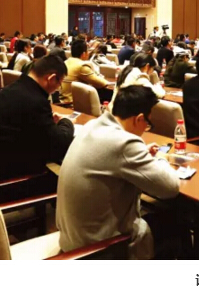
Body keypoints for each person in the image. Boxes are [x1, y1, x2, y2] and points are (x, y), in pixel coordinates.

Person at [57, 86, 180, 259]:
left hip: (71, 239)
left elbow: (111, 157)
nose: (146, 128)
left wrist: (140, 154)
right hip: (96, 250)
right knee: (177, 222)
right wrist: (161, 158)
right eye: (148, 124)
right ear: (139, 119)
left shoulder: (92, 125)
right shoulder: (124, 143)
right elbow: (171, 187)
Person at [0, 56, 75, 183]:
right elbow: (59, 145)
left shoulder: (11, 89)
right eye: (59, 84)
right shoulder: (36, 101)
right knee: (70, 180)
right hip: (11, 181)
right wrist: (66, 122)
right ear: (51, 78)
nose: (58, 88)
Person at [60, 39, 111, 104]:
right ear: (84, 54)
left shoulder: (65, 62)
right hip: (73, 103)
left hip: (63, 101)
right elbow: (102, 83)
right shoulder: (81, 66)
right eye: (87, 51)